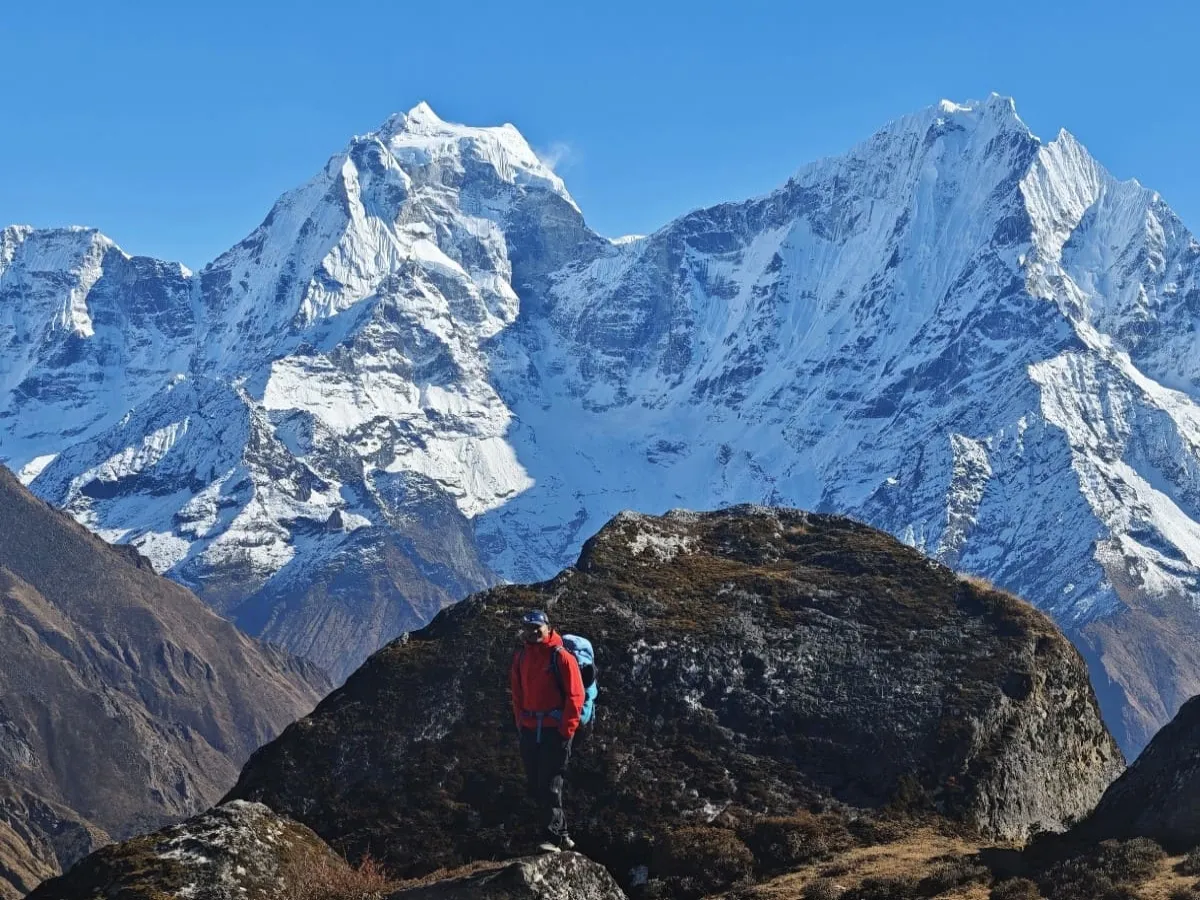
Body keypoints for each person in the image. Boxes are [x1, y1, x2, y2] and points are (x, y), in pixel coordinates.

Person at [510, 609, 585, 852]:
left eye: (537, 627)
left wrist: (566, 729)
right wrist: (521, 723)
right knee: (536, 784)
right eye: (528, 628)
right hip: (531, 730)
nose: (532, 632)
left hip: (555, 730)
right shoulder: (521, 657)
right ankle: (562, 834)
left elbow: (576, 695)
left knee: (550, 784)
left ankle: (552, 839)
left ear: (548, 627)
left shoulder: (561, 656)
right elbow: (517, 693)